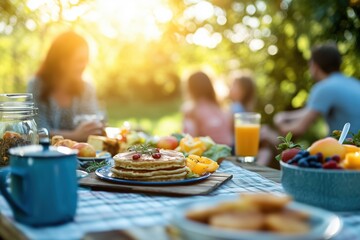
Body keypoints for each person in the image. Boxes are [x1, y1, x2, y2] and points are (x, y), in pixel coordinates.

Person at [27, 31, 104, 142]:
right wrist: (74, 135)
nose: (85, 65)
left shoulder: (87, 89)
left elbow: (93, 127)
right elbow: (36, 132)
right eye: (79, 60)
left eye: (86, 60)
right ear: (61, 61)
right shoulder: (36, 86)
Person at [273, 43, 360, 137]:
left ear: (315, 66)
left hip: (350, 148)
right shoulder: (353, 83)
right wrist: (285, 116)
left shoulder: (324, 87)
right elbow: (308, 111)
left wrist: (279, 125)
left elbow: (298, 129)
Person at [182, 71, 232, 145]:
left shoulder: (192, 110)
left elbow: (188, 138)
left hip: (211, 152)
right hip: (229, 148)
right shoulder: (219, 106)